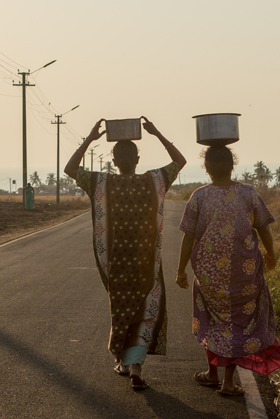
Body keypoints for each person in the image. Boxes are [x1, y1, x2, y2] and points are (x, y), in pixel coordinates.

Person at [64, 116, 186, 390]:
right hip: (146, 264)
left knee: (121, 312)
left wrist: (90, 139)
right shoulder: (153, 181)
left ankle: (123, 359)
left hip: (117, 265)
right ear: (138, 159)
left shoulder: (102, 183)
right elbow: (180, 161)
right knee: (144, 312)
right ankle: (136, 367)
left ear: (114, 162)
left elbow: (70, 168)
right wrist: (157, 133)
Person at [176, 145, 280, 396]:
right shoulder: (248, 193)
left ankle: (212, 374)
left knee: (214, 320)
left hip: (208, 276)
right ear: (233, 165)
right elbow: (263, 228)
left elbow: (188, 238)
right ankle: (227, 382)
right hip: (244, 273)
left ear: (206, 169)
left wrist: (180, 270)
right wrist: (271, 254)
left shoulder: (199, 196)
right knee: (238, 322)